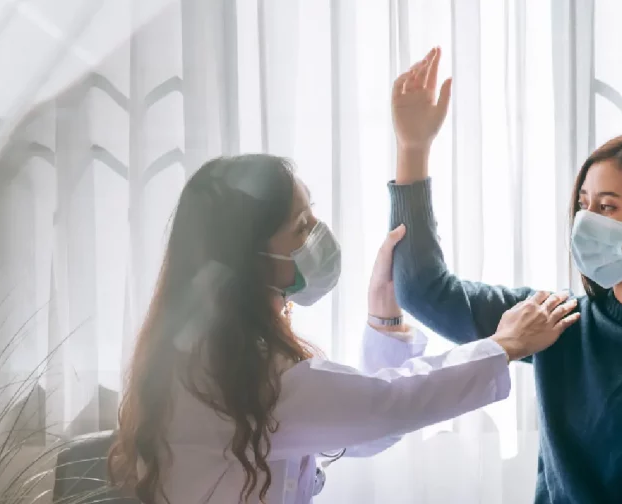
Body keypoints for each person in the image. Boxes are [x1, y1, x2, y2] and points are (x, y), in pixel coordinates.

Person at [388, 47, 622, 503]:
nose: (586, 221)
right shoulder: (557, 321)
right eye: (584, 204)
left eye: (607, 206)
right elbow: (422, 290)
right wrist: (413, 149)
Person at [106, 150, 581, 503]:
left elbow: (360, 426)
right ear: (248, 256)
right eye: (300, 225)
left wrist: (383, 315)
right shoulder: (237, 367)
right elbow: (385, 406)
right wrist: (503, 345)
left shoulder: (212, 343)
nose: (318, 232)